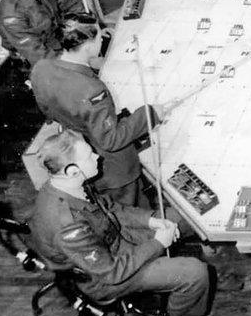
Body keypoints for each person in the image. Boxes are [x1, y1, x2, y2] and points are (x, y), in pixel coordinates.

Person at [28, 128, 212, 316]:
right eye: (89, 155)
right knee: (195, 273)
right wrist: (158, 243)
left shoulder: (71, 184)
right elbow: (112, 273)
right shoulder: (67, 225)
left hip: (115, 238)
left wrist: (150, 221)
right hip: (106, 277)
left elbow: (112, 209)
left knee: (185, 216)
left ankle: (186, 277)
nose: (98, 156)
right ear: (72, 171)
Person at [30, 14, 161, 207]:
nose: (102, 39)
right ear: (89, 46)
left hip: (76, 147)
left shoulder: (41, 68)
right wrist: (150, 114)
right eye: (100, 36)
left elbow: (47, 110)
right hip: (113, 169)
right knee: (130, 208)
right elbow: (111, 140)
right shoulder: (92, 90)